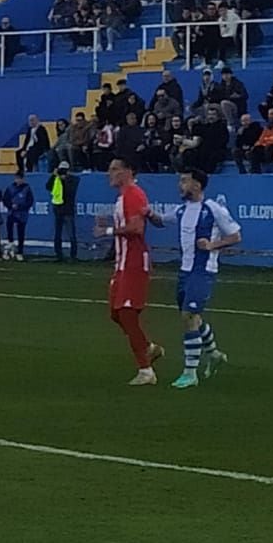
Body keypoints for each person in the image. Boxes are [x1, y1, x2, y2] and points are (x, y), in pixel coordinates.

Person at [170, 169, 241, 389]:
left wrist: (212, 245)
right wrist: (145, 213)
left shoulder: (212, 208)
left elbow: (236, 235)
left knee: (189, 315)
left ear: (197, 185)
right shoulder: (181, 210)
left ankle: (190, 372)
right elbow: (160, 220)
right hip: (184, 271)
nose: (180, 185)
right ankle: (215, 354)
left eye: (184, 181)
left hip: (203, 271)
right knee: (193, 317)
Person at [97, 159, 164, 385]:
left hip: (134, 262)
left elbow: (137, 228)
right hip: (123, 262)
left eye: (114, 169)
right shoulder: (124, 197)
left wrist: (107, 230)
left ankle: (146, 371)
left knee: (126, 313)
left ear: (127, 172)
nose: (110, 173)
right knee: (116, 314)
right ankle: (148, 347)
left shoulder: (133, 194)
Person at [49, 162, 78, 262]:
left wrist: (64, 180)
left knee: (71, 234)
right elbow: (48, 187)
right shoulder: (56, 179)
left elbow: (70, 191)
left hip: (68, 210)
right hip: (58, 210)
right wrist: (54, 176)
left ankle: (73, 255)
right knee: (58, 234)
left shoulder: (73, 180)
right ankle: (59, 254)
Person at [2, 169, 34, 259]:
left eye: (20, 178)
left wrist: (20, 207)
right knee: (10, 233)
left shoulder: (27, 188)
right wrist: (11, 206)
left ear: (23, 179)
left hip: (22, 214)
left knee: (21, 233)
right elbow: (5, 200)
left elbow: (30, 201)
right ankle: (10, 250)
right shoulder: (10, 188)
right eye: (17, 178)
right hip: (11, 213)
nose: (18, 180)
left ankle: (20, 252)